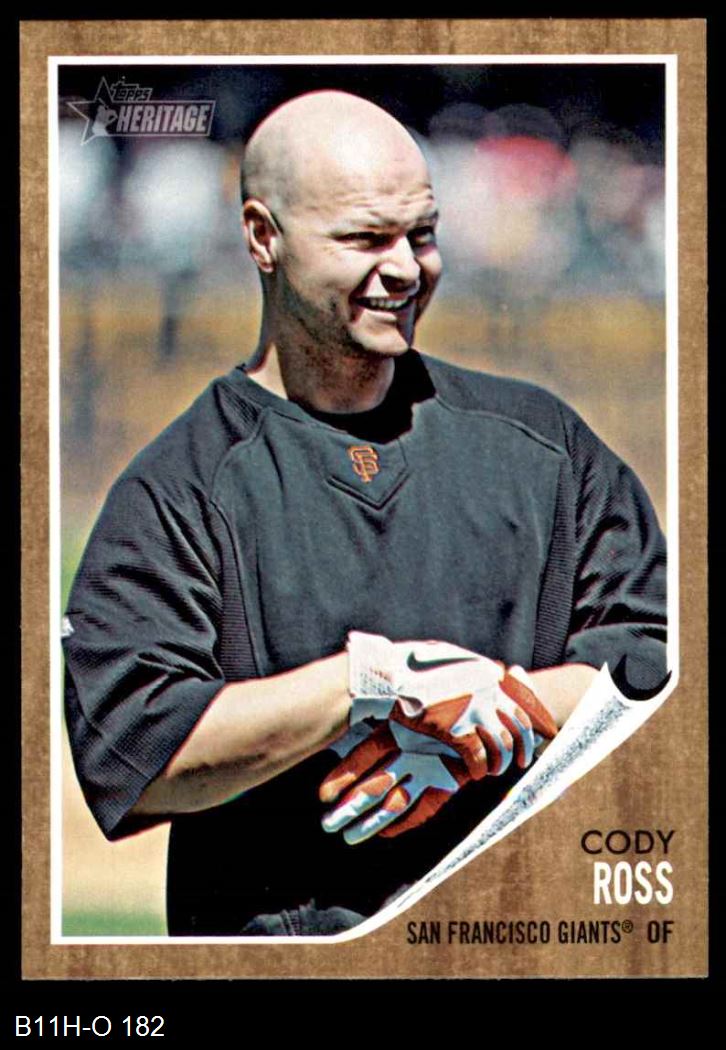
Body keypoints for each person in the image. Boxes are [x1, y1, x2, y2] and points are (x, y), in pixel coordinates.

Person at [63, 90, 667, 937]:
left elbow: (658, 671)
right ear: (262, 237)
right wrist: (374, 684)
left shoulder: (546, 447)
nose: (407, 268)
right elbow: (135, 751)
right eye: (365, 239)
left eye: (422, 234)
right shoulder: (179, 488)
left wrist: (496, 711)